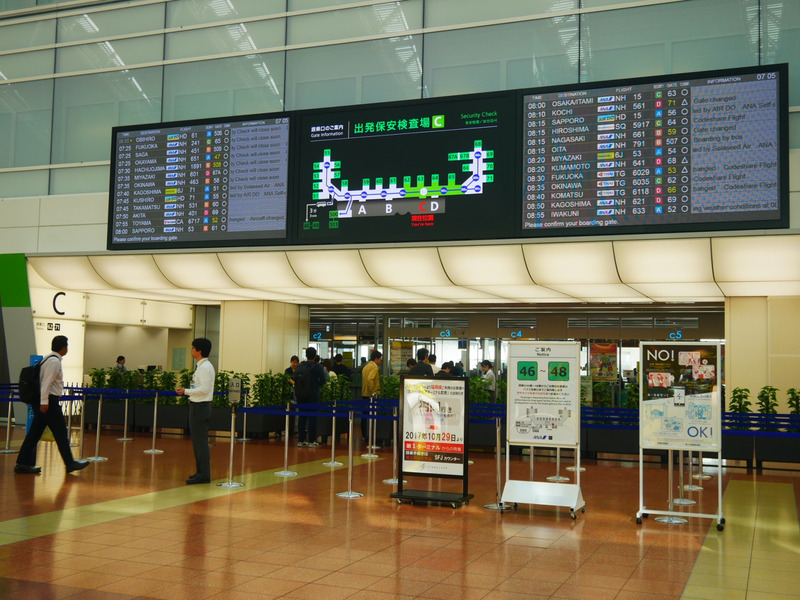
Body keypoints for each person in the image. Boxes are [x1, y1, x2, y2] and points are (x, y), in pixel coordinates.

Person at [15, 335, 90, 475]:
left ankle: (22, 464)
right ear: (63, 347)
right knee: (61, 433)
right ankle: (70, 463)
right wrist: (44, 402)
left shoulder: (48, 358)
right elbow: (46, 383)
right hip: (49, 403)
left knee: (34, 434)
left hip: (45, 402)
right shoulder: (54, 362)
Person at [177, 338, 215, 485]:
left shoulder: (205, 368)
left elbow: (204, 389)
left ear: (199, 351)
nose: (191, 350)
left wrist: (185, 391)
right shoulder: (202, 366)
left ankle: (204, 474)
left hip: (200, 407)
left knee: (201, 442)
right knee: (198, 442)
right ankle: (200, 472)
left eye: (193, 348)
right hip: (197, 406)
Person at [295, 347, 326, 447]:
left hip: (301, 395)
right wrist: (316, 385)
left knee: (302, 417)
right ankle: (312, 440)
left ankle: (301, 440)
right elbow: (323, 380)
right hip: (313, 395)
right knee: (313, 418)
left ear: (306, 355)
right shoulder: (318, 367)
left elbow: (295, 378)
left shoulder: (300, 366)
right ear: (315, 356)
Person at [361, 350, 382, 442]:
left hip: (364, 394)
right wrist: (374, 392)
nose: (381, 361)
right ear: (376, 359)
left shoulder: (365, 367)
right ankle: (371, 435)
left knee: (364, 415)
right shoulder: (374, 368)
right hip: (371, 395)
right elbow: (370, 379)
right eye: (380, 359)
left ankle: (364, 435)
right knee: (372, 415)